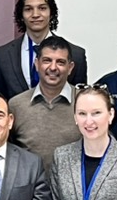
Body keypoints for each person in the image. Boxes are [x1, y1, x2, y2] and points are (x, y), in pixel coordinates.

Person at [0, 0, 89, 99]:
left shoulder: (76, 54)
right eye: (28, 9)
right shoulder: (2, 56)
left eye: (42, 8)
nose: (35, 14)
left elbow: (80, 100)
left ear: (51, 13)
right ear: (21, 15)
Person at [7, 35, 81, 164]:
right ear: (36, 64)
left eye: (60, 62)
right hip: (29, 184)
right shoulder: (16, 105)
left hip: (78, 184)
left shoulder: (86, 102)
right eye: (47, 60)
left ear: (70, 67)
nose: (53, 68)